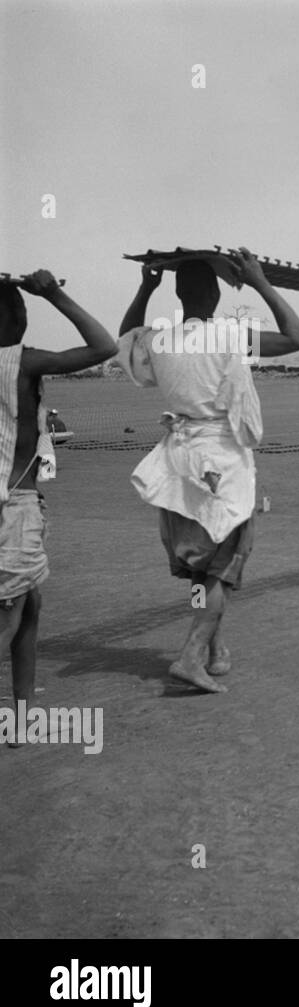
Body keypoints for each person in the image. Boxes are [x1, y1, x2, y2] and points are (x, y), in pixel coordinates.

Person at [117, 249, 299, 692]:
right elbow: (298, 338)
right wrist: (261, 282)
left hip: (178, 462)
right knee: (221, 566)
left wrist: (145, 289)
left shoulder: (160, 340)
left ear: (179, 294)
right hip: (221, 462)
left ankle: (214, 649)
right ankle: (189, 657)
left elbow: (125, 337)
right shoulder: (229, 335)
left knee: (201, 566)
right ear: (217, 293)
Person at [0, 271, 116, 740]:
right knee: (11, 610)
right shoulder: (22, 362)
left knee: (30, 606)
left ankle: (23, 714)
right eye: (19, 309)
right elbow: (104, 346)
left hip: (17, 501)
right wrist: (54, 294)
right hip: (13, 506)